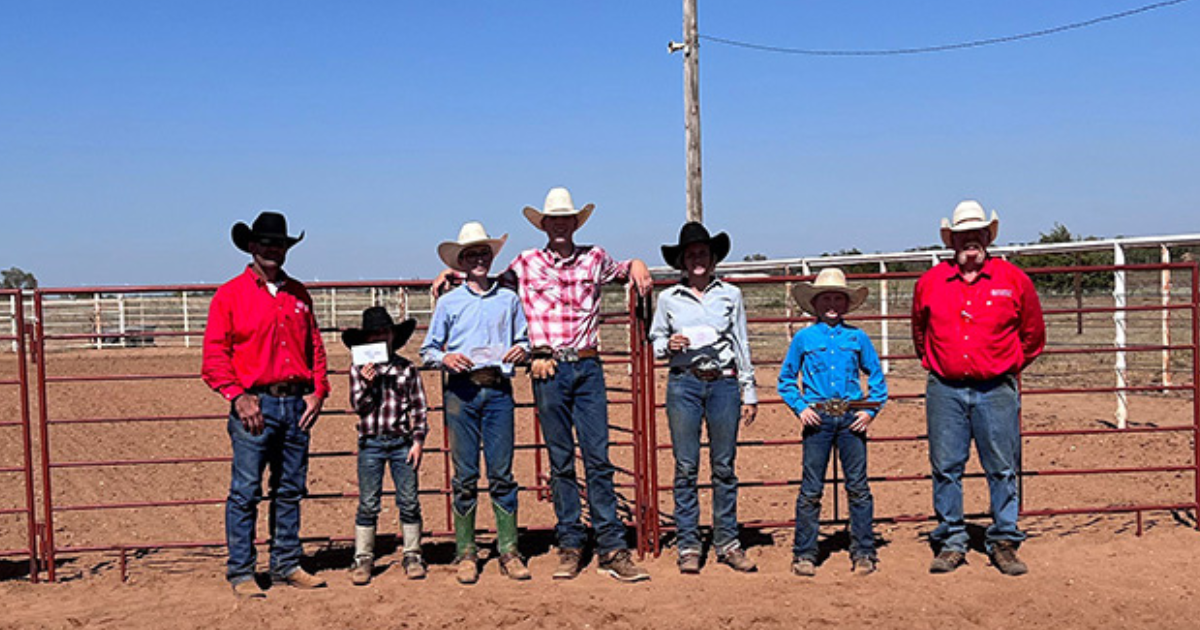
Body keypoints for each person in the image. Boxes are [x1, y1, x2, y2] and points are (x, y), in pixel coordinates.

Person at [437, 187, 653, 582]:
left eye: (565, 219)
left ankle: (611, 546)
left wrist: (637, 262)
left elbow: (623, 269)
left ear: (574, 223)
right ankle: (571, 542)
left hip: (587, 365)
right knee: (561, 460)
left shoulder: (595, 257)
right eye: (552, 219)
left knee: (598, 457)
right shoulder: (525, 263)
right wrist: (452, 273)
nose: (559, 225)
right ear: (544, 224)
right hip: (548, 368)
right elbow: (484, 280)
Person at [911, 200, 1045, 576]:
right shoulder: (930, 283)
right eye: (963, 235)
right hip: (945, 387)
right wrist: (940, 363)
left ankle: (1004, 539)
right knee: (946, 466)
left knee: (1002, 466)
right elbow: (920, 334)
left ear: (988, 237)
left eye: (978, 234)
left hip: (996, 387)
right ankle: (952, 540)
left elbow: (1033, 335)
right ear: (952, 241)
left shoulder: (1013, 280)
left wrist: (1006, 365)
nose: (971, 241)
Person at [201, 211, 329, 598]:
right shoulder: (230, 295)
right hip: (254, 405)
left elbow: (315, 347)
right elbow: (214, 355)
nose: (274, 250)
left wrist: (318, 390)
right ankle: (241, 570)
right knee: (245, 490)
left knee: (290, 489)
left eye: (280, 244)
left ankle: (285, 562)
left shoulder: (298, 293)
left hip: (294, 404)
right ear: (252, 247)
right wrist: (237, 396)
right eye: (267, 243)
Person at [420, 221, 531, 584]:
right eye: (472, 254)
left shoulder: (509, 299)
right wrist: (445, 358)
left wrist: (523, 351)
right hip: (462, 391)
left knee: (502, 473)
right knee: (465, 474)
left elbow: (525, 340)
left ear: (490, 257)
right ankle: (465, 551)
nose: (479, 259)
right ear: (462, 261)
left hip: (498, 389)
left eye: (484, 253)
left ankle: (509, 549)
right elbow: (429, 349)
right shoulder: (449, 303)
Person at [648, 222, 758, 574]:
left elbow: (741, 342)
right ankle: (689, 544)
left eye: (703, 253)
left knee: (724, 467)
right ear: (682, 260)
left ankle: (727, 541)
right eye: (691, 254)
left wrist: (749, 390)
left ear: (712, 259)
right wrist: (670, 345)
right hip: (684, 383)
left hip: (723, 383)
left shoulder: (731, 295)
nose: (697, 259)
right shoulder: (667, 299)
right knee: (685, 467)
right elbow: (655, 344)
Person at [778, 268, 888, 577]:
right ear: (815, 303)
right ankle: (804, 552)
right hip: (818, 417)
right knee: (811, 488)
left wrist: (869, 411)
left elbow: (877, 378)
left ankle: (864, 551)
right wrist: (800, 408)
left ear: (846, 303)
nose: (832, 304)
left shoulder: (857, 338)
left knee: (858, 487)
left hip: (851, 415)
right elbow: (786, 379)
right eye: (826, 298)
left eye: (838, 298)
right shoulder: (803, 339)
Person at [342, 307, 428, 585]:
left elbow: (419, 407)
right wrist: (368, 385)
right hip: (371, 443)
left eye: (384, 332)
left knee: (409, 500)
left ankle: (413, 553)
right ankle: (363, 557)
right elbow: (359, 406)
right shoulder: (358, 369)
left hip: (402, 442)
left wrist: (418, 441)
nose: (380, 337)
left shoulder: (407, 368)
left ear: (392, 335)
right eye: (374, 333)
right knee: (368, 503)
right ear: (366, 339)